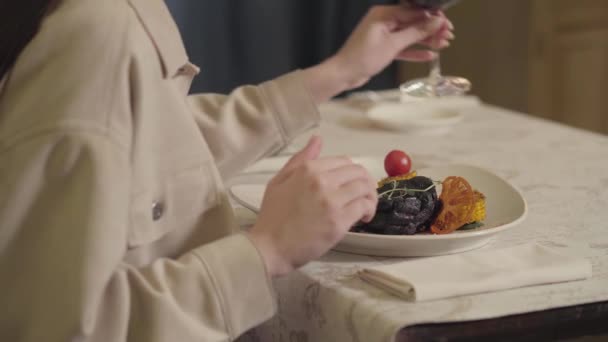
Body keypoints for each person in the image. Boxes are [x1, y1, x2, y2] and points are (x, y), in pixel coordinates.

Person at [0, 0, 453, 341]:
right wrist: (267, 250)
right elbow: (60, 328)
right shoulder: (96, 33)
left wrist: (339, 73)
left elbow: (151, 139)